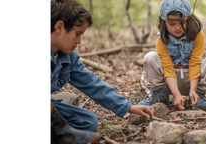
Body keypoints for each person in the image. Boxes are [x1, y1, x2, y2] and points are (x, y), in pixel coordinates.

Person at [50, 0, 154, 143]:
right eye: (77, 34)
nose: (79, 42)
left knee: (88, 121)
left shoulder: (67, 58)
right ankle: (62, 134)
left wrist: (128, 107)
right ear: (59, 27)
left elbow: (91, 83)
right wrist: (63, 129)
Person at [139, 0, 206, 111]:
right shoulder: (161, 40)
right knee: (150, 57)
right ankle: (160, 96)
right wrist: (177, 95)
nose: (177, 28)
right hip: (170, 82)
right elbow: (167, 67)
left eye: (182, 23)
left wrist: (193, 90)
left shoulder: (198, 35)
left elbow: (195, 62)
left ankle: (199, 96)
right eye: (172, 24)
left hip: (192, 79)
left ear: (188, 19)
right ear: (164, 22)